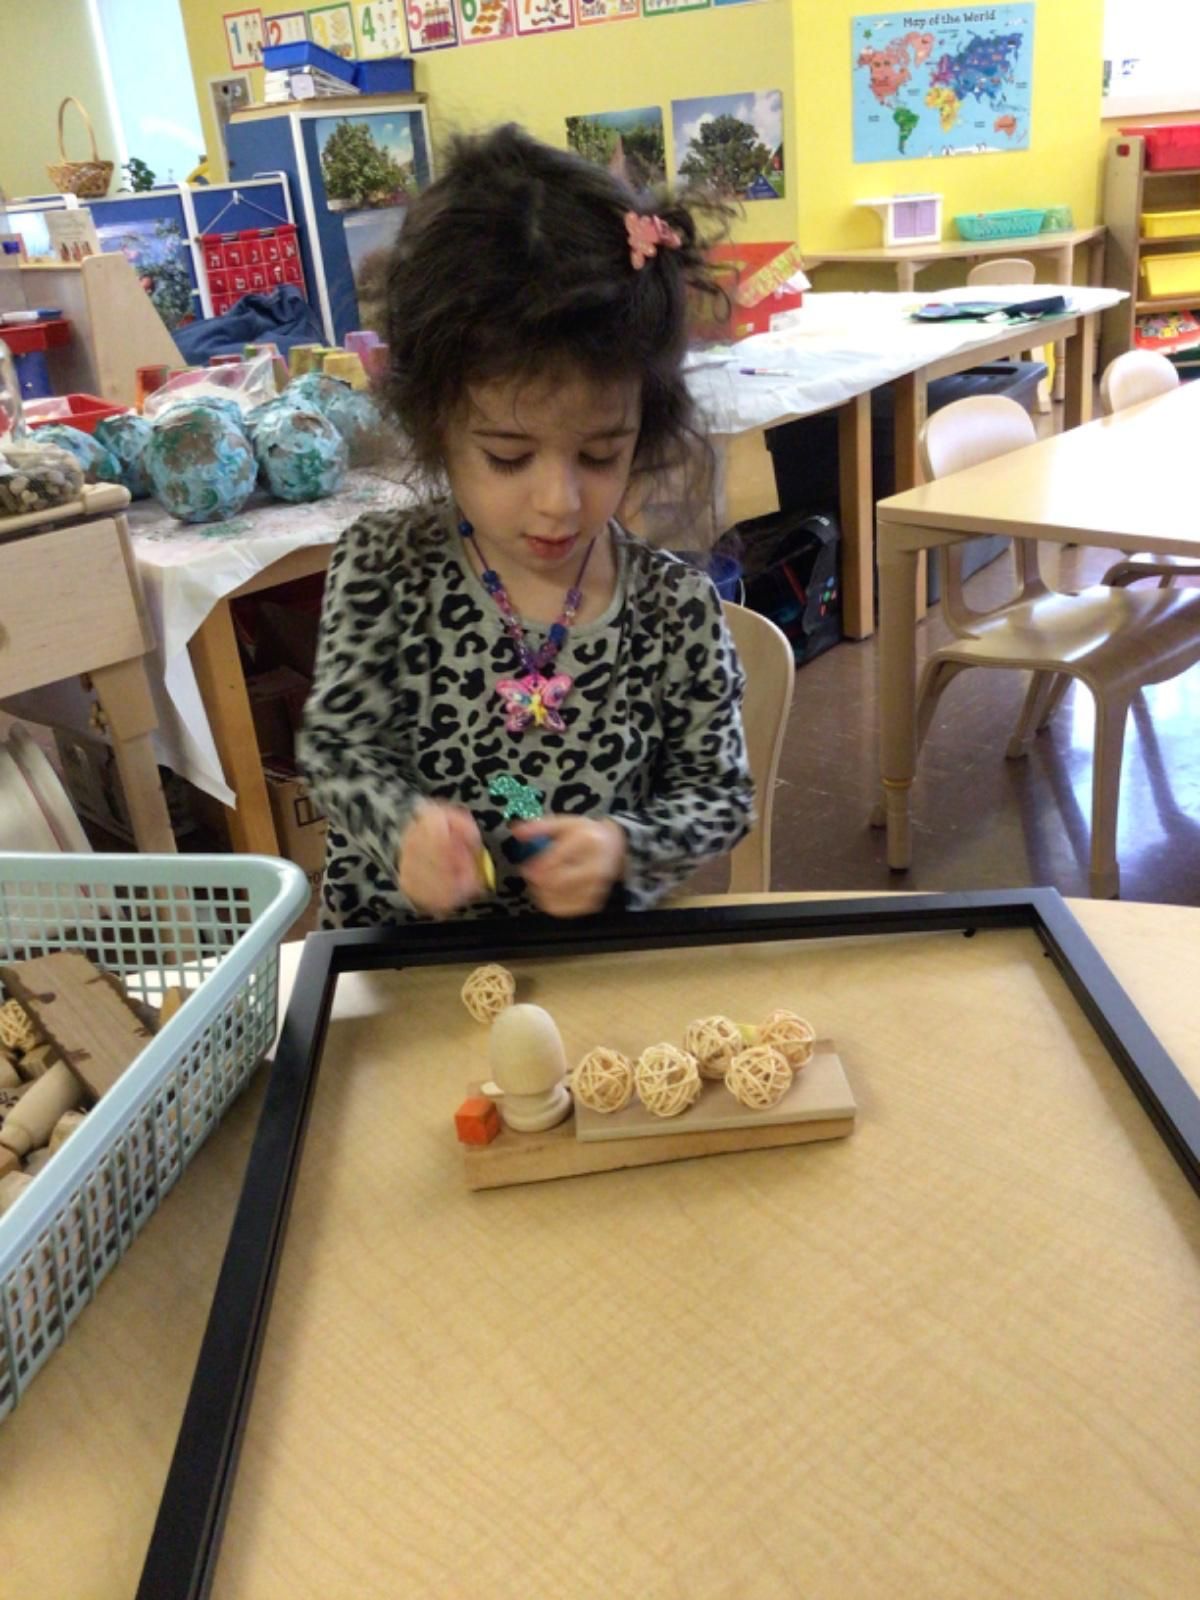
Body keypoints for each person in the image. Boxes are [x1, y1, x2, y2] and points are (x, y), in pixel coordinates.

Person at [299, 124, 754, 928]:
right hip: (404, 965)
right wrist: (402, 829)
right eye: (509, 456)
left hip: (590, 974)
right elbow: (337, 750)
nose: (559, 503)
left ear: (643, 428)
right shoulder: (384, 569)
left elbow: (720, 796)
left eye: (601, 454)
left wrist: (624, 847)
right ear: (437, 425)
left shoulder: (674, 610)